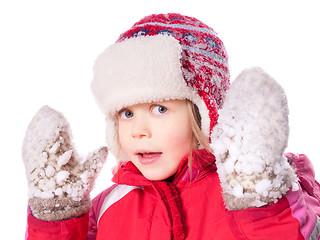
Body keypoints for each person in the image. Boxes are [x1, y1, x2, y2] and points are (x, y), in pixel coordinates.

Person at [23, 13, 320, 240]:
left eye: (160, 108)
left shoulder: (242, 192)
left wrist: (262, 200)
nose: (139, 130)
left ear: (204, 113)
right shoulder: (107, 207)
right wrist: (57, 219)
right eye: (126, 113)